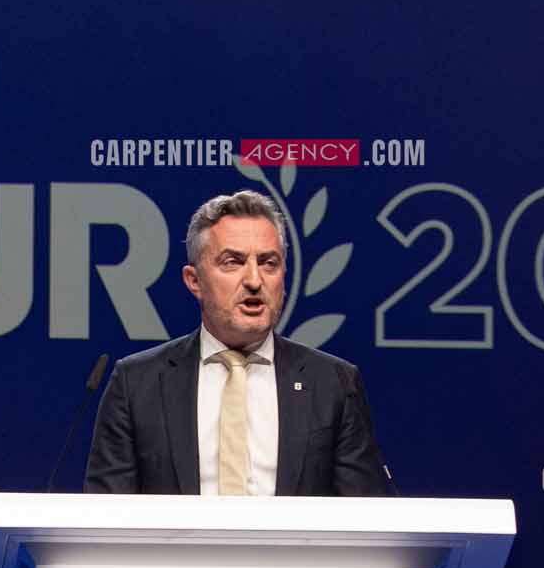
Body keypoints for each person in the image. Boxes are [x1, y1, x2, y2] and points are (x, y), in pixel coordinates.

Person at [83, 189, 387, 496]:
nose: (255, 280)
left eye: (269, 263)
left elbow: (367, 520)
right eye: (233, 262)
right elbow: (105, 515)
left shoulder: (333, 383)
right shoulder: (136, 383)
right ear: (194, 280)